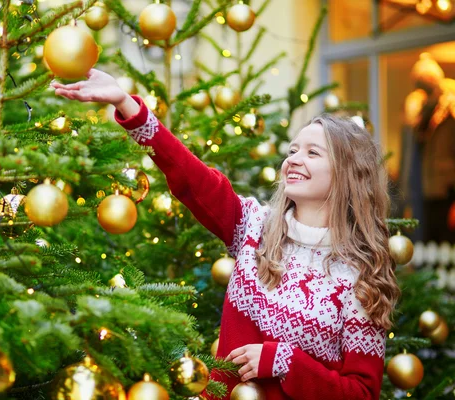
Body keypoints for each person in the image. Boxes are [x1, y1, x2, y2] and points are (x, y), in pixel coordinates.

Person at [51, 69, 400, 400]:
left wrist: (286, 363)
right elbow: (190, 177)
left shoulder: (359, 276)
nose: (293, 159)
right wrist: (127, 104)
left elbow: (361, 393)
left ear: (346, 174)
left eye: (312, 152)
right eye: (292, 150)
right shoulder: (253, 227)